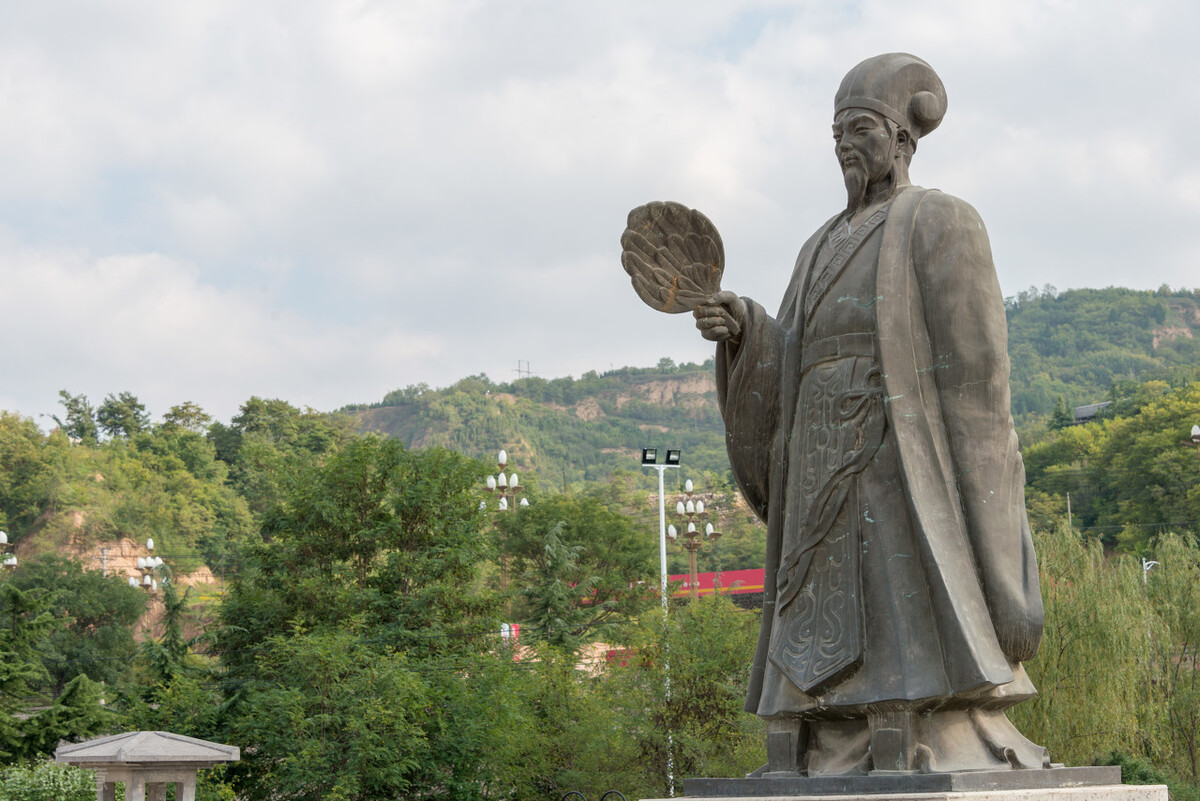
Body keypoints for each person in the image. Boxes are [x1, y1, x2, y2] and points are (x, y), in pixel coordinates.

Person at [693, 53, 1048, 776]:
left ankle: (910, 718)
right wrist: (747, 329)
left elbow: (976, 371)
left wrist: (974, 469)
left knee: (895, 592)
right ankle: (810, 730)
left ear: (902, 138)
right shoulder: (817, 245)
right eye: (836, 134)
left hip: (893, 451)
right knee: (813, 592)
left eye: (860, 129)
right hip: (815, 455)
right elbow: (790, 350)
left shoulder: (939, 219)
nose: (845, 146)